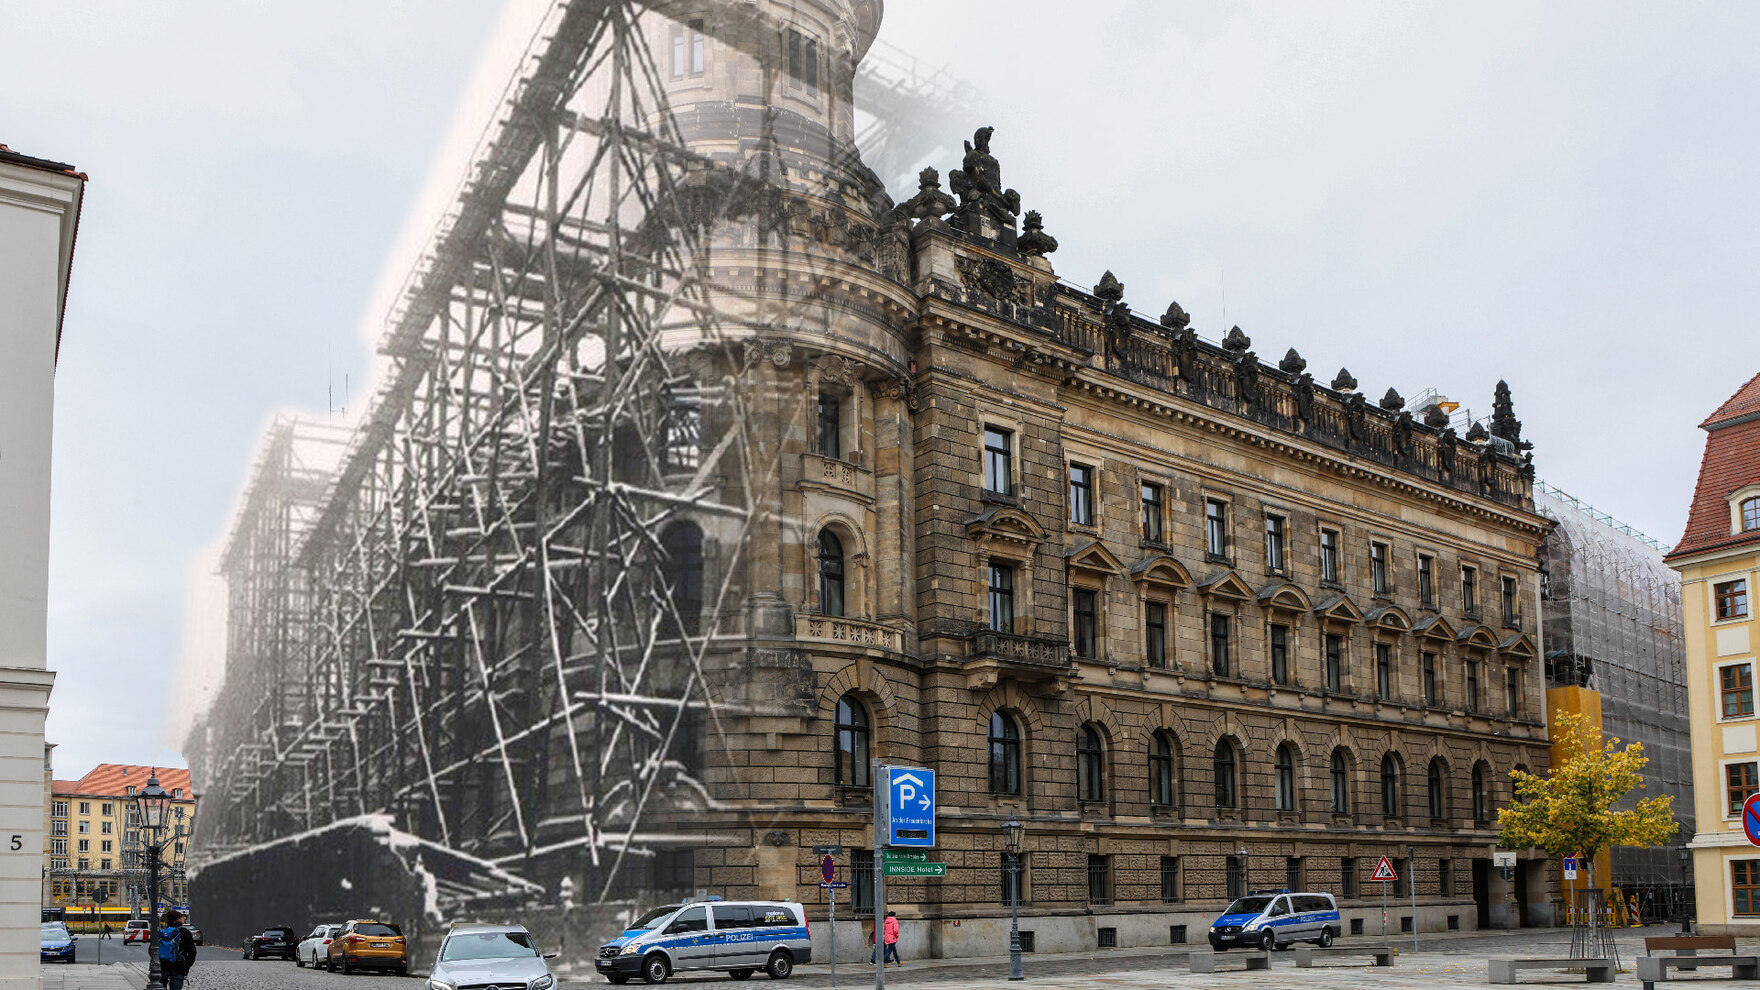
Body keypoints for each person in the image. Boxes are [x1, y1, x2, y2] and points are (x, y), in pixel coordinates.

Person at [156, 909, 199, 990]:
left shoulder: (162, 933)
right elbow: (192, 951)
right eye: (182, 917)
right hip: (178, 966)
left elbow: (151, 950)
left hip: (162, 965)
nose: (184, 919)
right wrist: (186, 965)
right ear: (178, 920)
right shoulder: (184, 932)